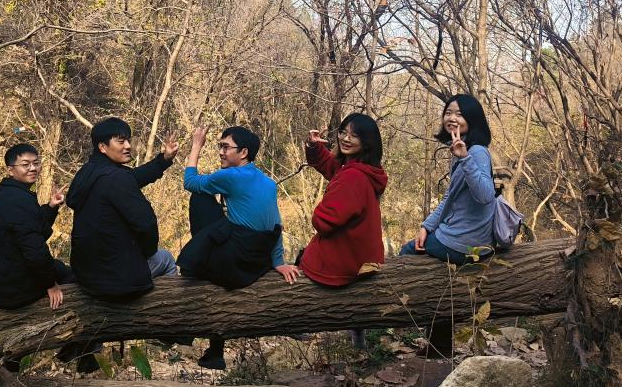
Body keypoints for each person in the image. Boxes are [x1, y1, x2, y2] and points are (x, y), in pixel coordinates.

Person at [179, 125, 299, 370]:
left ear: (243, 152)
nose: (220, 152)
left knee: (200, 197)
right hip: (257, 262)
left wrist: (196, 145)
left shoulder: (231, 177)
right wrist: (278, 262)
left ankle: (197, 269)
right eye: (219, 146)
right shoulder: (268, 182)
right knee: (221, 219)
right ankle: (214, 350)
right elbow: (275, 224)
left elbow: (190, 181)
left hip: (235, 262)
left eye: (226, 147)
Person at [399, 93, 496, 357]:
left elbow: (486, 195)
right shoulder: (461, 150)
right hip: (461, 236)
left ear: (472, 120)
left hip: (467, 241)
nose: (452, 118)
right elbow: (450, 198)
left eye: (460, 114)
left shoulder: (476, 152)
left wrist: (464, 158)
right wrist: (427, 226)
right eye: (449, 112)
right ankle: (439, 345)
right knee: (441, 280)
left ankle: (403, 317)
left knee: (407, 252)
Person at [65, 117, 179, 298]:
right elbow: (146, 224)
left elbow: (133, 177)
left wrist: (164, 159)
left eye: (128, 140)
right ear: (102, 147)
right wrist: (146, 254)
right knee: (165, 258)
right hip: (116, 279)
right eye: (120, 141)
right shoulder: (117, 178)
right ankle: (169, 307)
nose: (128, 146)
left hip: (87, 275)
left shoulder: (88, 172)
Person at [0, 144, 72, 311]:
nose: (33, 168)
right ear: (10, 170)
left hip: (0, 278)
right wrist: (50, 284)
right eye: (25, 164)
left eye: (36, 163)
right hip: (13, 288)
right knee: (76, 277)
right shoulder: (18, 200)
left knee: (59, 268)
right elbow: (34, 250)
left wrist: (51, 206)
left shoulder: (6, 193)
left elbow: (31, 228)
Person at [300, 113, 388, 286]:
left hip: (345, 264)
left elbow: (324, 221)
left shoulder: (353, 177)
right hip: (361, 256)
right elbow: (330, 166)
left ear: (367, 142)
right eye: (343, 132)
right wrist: (313, 146)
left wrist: (319, 211)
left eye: (354, 135)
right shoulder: (362, 167)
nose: (346, 139)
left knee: (305, 259)